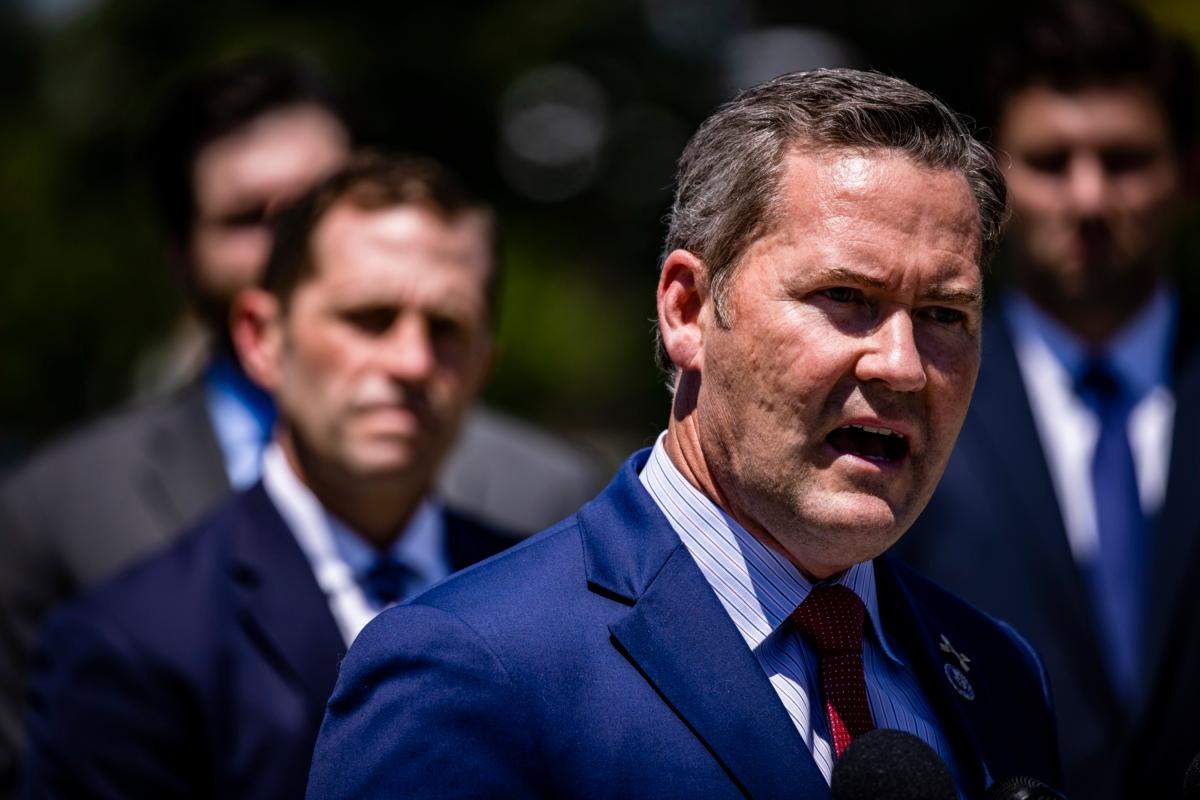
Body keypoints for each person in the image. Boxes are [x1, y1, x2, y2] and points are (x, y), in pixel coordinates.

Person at [306, 69, 1063, 799]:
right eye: (844, 296)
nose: (902, 365)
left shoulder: (997, 672)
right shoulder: (470, 669)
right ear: (688, 310)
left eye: (944, 314)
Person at [0, 54, 600, 790]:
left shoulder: (559, 588)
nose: (411, 361)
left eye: (446, 328)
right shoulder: (124, 637)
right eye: (368, 319)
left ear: (485, 360)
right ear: (263, 338)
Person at [895, 3, 1200, 796]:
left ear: (1188, 173)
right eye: (1051, 162)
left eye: (1126, 160)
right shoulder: (906, 398)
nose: (1089, 198)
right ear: (993, 186)